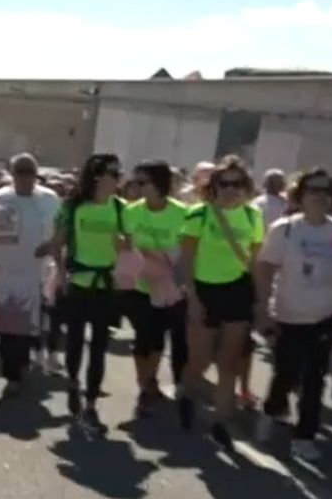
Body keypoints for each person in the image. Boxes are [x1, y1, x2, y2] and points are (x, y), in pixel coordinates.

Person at [253, 168, 332, 461]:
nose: (320, 197)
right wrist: (262, 307)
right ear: (300, 196)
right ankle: (272, 409)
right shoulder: (285, 229)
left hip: (326, 315)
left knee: (315, 377)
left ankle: (305, 434)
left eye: (326, 191)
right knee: (286, 373)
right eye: (314, 190)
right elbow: (265, 268)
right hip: (290, 315)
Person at [178, 155, 264, 449]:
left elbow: (255, 263)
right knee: (200, 361)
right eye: (224, 183)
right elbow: (186, 259)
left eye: (237, 183)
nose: (231, 189)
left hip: (237, 292)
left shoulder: (253, 217)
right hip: (204, 291)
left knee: (228, 363)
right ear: (213, 187)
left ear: (246, 187)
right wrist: (192, 298)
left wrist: (261, 302)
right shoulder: (199, 215)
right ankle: (186, 392)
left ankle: (221, 421)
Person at [38, 153, 125, 434]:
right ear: (99, 177)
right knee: (75, 340)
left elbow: (130, 247)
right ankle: (74, 381)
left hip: (107, 285)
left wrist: (123, 246)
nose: (119, 179)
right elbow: (57, 243)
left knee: (100, 347)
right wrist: (62, 274)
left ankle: (91, 403)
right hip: (78, 283)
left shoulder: (121, 209)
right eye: (115, 173)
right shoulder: (74, 207)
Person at [120, 159, 189, 417]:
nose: (135, 187)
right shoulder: (131, 211)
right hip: (138, 285)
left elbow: (188, 251)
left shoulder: (183, 213)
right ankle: (146, 387)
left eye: (142, 182)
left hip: (171, 287)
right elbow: (126, 244)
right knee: (143, 339)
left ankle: (152, 384)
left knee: (158, 339)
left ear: (159, 184)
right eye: (134, 182)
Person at [0, 153, 60, 395]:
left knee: (29, 327)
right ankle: (12, 375)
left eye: (29, 172)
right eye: (19, 172)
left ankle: (22, 363)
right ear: (12, 175)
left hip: (38, 274)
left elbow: (60, 231)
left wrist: (52, 246)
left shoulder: (50, 199)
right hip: (4, 274)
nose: (24, 178)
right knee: (8, 328)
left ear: (36, 174)